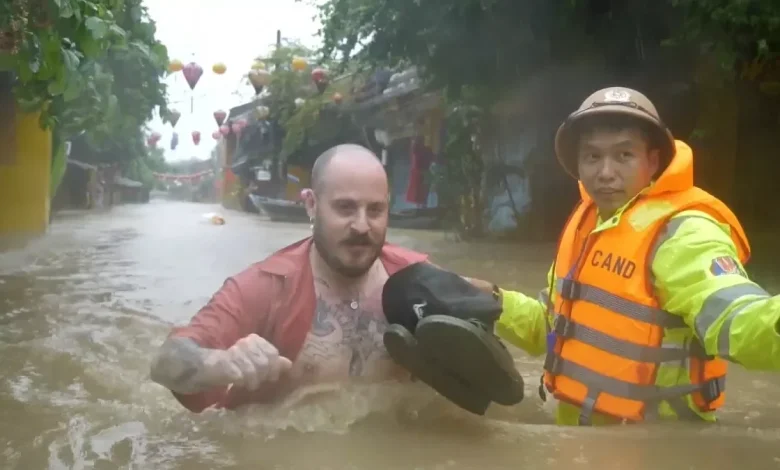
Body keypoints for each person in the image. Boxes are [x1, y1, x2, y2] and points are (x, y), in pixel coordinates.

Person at [469, 86, 780, 426]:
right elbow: (551, 324)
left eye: (623, 156)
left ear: (653, 161)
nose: (605, 172)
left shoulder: (684, 233)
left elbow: (740, 320)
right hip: (581, 444)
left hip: (656, 451)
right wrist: (491, 299)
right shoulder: (587, 225)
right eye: (592, 157)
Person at [149, 144, 430, 412]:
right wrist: (222, 363)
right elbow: (166, 361)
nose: (361, 225)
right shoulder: (264, 287)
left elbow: (471, 302)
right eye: (345, 208)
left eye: (375, 210)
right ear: (311, 204)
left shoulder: (417, 279)